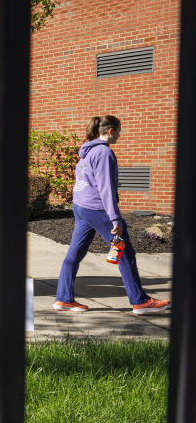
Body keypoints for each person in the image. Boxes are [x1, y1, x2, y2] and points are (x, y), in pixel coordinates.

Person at [54, 115, 170, 315]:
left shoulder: (87, 152)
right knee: (125, 253)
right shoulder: (104, 152)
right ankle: (140, 301)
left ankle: (64, 299)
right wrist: (115, 218)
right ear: (111, 131)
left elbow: (81, 180)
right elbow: (105, 188)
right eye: (119, 130)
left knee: (75, 253)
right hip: (98, 209)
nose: (120, 135)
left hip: (81, 207)